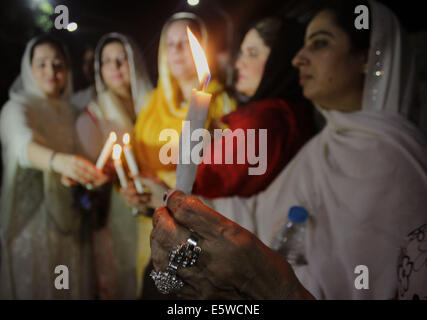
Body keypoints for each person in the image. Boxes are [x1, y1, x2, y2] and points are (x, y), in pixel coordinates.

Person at [149, 0, 427, 300]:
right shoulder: (326, 144)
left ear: (367, 58)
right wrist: (182, 202)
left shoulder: (393, 162)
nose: (298, 59)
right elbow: (261, 211)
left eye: (320, 44)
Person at [128, 12, 235, 297]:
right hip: (148, 222)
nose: (176, 51)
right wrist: (133, 190)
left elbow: (229, 181)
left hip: (198, 227)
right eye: (169, 44)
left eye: (184, 42)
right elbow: (134, 162)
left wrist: (167, 194)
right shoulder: (150, 103)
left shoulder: (223, 103)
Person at [0, 35, 106, 299]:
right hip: (32, 223)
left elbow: (89, 158)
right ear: (28, 68)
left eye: (58, 64)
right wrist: (58, 162)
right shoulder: (17, 106)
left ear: (67, 70)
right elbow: (20, 144)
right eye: (42, 64)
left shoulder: (74, 113)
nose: (51, 71)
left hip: (70, 220)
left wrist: (89, 175)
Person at [191, 17, 315, 199]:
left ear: (279, 61)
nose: (239, 64)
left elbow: (208, 190)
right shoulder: (289, 114)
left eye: (252, 54)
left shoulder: (262, 121)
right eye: (242, 53)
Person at [75, 33, 152, 299]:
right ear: (99, 69)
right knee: (126, 272)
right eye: (107, 61)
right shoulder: (95, 114)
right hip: (120, 208)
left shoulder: (154, 101)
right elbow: (94, 170)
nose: (115, 67)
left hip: (160, 195)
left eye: (122, 59)